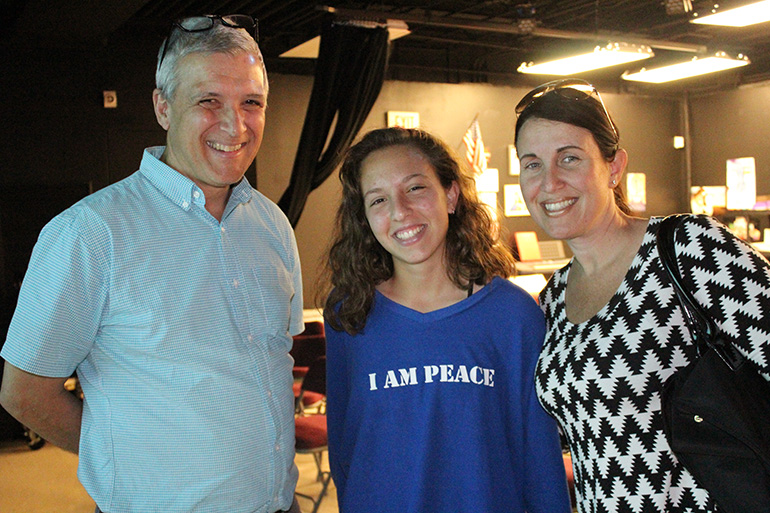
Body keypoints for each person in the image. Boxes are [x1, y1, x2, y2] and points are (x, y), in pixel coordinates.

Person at [0, 15, 303, 513]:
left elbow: (272, 362)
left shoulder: (271, 225)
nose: (235, 124)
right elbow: (26, 393)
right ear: (163, 106)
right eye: (209, 101)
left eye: (252, 103)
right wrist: (130, 454)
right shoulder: (89, 233)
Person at [514, 78, 770, 512]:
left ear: (614, 167)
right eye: (532, 164)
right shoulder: (553, 297)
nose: (550, 182)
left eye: (569, 158)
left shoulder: (686, 248)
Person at [321, 127, 571, 512]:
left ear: (451, 195)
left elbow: (540, 462)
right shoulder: (349, 314)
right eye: (378, 200)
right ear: (365, 218)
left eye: (416, 188)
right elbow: (344, 452)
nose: (400, 211)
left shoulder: (513, 315)